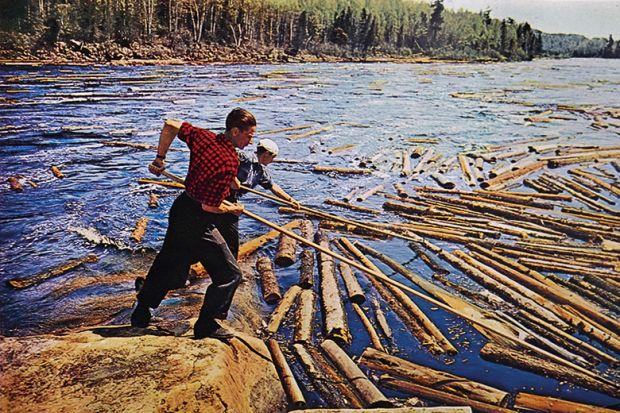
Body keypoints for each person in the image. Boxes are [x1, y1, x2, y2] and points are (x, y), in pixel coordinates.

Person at [131, 108, 256, 340]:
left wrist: (160, 158)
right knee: (229, 275)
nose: (251, 141)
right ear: (236, 131)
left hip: (182, 208)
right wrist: (234, 208)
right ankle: (207, 326)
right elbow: (211, 207)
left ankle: (141, 311)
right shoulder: (228, 161)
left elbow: (169, 124)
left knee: (170, 263)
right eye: (249, 135)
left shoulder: (205, 137)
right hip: (198, 220)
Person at [220, 138, 300, 258]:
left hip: (232, 200)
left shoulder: (260, 171)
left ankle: (228, 260)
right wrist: (233, 178)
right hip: (219, 195)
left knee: (230, 235)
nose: (272, 161)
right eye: (273, 157)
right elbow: (224, 159)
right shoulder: (244, 157)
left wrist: (290, 200)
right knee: (225, 233)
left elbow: (272, 186)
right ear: (267, 154)